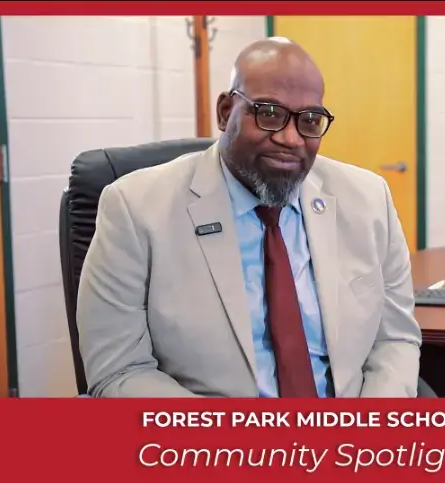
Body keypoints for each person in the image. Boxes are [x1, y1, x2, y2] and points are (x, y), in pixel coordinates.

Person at [76, 37, 422, 398]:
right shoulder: (134, 209)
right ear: (226, 112)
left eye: (309, 120)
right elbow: (119, 370)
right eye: (269, 113)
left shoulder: (368, 199)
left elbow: (395, 339)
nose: (291, 138)